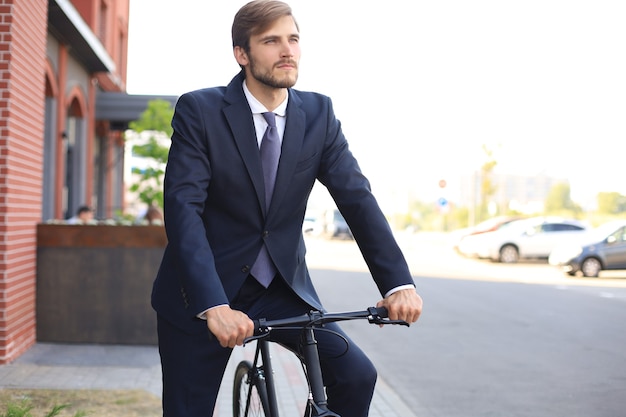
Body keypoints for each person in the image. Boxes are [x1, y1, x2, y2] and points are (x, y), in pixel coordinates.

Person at [151, 1, 423, 416]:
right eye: (271, 40)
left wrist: (397, 283)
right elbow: (183, 208)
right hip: (205, 290)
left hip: (282, 290)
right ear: (242, 54)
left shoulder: (318, 113)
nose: (287, 50)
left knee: (355, 376)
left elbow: (356, 198)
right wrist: (214, 305)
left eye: (293, 39)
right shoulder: (200, 111)